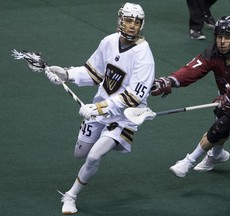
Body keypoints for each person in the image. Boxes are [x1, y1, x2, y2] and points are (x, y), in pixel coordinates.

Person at [45, 2, 155, 214]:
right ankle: (108, 140)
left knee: (94, 156)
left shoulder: (144, 56)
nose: (132, 26)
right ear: (120, 20)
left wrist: (101, 108)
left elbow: (134, 96)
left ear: (142, 25)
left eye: (137, 22)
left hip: (124, 117)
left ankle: (70, 196)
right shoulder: (109, 42)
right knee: (80, 153)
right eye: (128, 20)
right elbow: (93, 73)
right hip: (99, 109)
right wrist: (66, 74)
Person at [151, 16, 230, 177]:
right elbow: (193, 69)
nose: (222, 42)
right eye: (219, 37)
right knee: (221, 120)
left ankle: (188, 162)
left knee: (219, 126)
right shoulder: (213, 52)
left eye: (227, 38)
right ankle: (217, 155)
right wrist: (170, 80)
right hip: (228, 96)